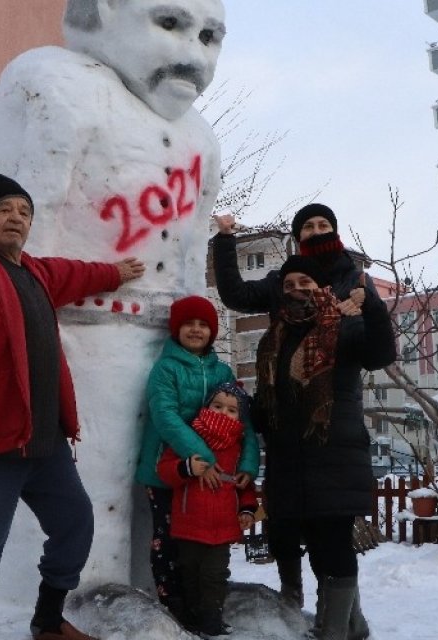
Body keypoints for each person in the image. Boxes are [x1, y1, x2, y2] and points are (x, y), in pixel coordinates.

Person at [0, 0, 229, 595]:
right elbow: (17, 247)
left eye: (210, 36)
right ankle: (49, 607)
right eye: (168, 24)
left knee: (153, 487)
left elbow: (188, 249)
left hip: (161, 352)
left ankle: (166, 592)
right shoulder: (59, 84)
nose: (192, 56)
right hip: (71, 349)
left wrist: (197, 347)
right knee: (72, 499)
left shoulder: (200, 137)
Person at [0, 173, 147, 640]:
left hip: (43, 444)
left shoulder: (34, 273)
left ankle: (47, 620)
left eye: (24, 212)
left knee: (75, 525)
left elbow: (74, 273)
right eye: (5, 209)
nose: (16, 218)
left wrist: (114, 272)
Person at [249, 212, 396, 640]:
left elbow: (381, 353)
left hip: (333, 454)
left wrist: (371, 304)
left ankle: (332, 631)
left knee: (332, 547)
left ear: (319, 290)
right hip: (289, 460)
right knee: (314, 548)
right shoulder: (273, 338)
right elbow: (270, 402)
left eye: (306, 284)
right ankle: (354, 626)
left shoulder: (342, 328)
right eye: (290, 285)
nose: (297, 290)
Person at [209, 204, 344, 610]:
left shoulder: (348, 281)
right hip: (283, 419)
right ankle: (291, 603)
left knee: (326, 531)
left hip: (327, 422)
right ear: (297, 234)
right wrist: (227, 239)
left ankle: (336, 617)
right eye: (308, 225)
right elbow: (235, 294)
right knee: (283, 519)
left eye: (323, 225)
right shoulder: (280, 282)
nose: (316, 231)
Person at [134, 296, 259, 625]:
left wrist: (247, 465)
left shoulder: (222, 370)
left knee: (204, 543)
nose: (196, 329)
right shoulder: (166, 368)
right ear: (176, 329)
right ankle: (174, 605)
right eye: (189, 323)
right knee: (169, 540)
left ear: (212, 331)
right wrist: (200, 457)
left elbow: (243, 425)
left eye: (203, 324)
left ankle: (204, 605)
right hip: (167, 467)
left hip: (215, 474)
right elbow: (165, 416)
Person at [156, 382, 259, 637]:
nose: (223, 412)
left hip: (222, 528)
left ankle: (212, 621)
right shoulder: (190, 439)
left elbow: (243, 485)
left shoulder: (239, 446)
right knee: (189, 574)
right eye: (217, 406)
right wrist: (186, 468)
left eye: (232, 410)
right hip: (189, 524)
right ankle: (192, 617)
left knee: (214, 576)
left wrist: (247, 510)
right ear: (206, 407)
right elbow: (165, 470)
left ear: (241, 416)